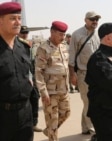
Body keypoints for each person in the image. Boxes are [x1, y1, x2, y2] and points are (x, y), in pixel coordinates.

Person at [0, 2, 34, 141]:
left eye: (19, 18)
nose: (17, 22)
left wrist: (34, 116)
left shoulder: (24, 47)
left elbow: (30, 78)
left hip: (25, 114)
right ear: (0, 20)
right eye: (12, 18)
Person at [35, 21, 70, 141]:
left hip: (63, 89)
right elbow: (38, 71)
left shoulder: (63, 46)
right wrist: (43, 91)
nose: (62, 37)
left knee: (66, 113)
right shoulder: (43, 48)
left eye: (64, 35)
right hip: (50, 92)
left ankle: (48, 130)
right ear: (52, 32)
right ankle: (52, 133)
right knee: (53, 121)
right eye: (60, 34)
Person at [68, 11, 101, 135]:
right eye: (92, 19)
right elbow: (71, 56)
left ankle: (85, 128)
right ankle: (93, 130)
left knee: (89, 101)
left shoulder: (97, 35)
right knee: (88, 102)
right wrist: (72, 74)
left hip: (96, 74)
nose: (95, 21)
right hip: (83, 73)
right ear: (85, 20)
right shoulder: (77, 35)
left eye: (97, 19)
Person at [18, 25, 43, 132]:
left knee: (35, 98)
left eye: (26, 33)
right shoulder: (15, 45)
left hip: (31, 76)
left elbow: (32, 62)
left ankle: (33, 123)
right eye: (22, 32)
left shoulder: (29, 45)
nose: (25, 35)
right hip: (21, 78)